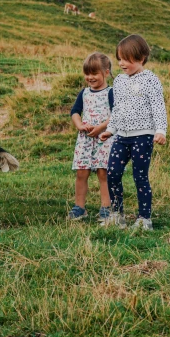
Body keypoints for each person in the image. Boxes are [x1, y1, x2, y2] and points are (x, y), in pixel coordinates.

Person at [100, 34, 167, 231]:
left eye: (127, 59)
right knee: (112, 173)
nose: (122, 63)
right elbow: (117, 109)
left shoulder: (150, 79)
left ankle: (144, 219)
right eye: (119, 58)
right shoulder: (119, 81)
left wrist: (161, 130)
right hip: (121, 136)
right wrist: (110, 130)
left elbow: (158, 107)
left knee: (140, 176)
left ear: (141, 58)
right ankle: (116, 214)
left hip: (143, 136)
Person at [68, 52, 114, 222]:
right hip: (85, 140)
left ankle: (106, 208)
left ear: (106, 73)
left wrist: (101, 128)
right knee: (82, 173)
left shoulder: (111, 92)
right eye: (87, 74)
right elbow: (75, 112)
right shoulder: (84, 93)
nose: (90, 77)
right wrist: (80, 125)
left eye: (94, 73)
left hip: (104, 138)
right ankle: (79, 207)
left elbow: (115, 115)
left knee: (103, 173)